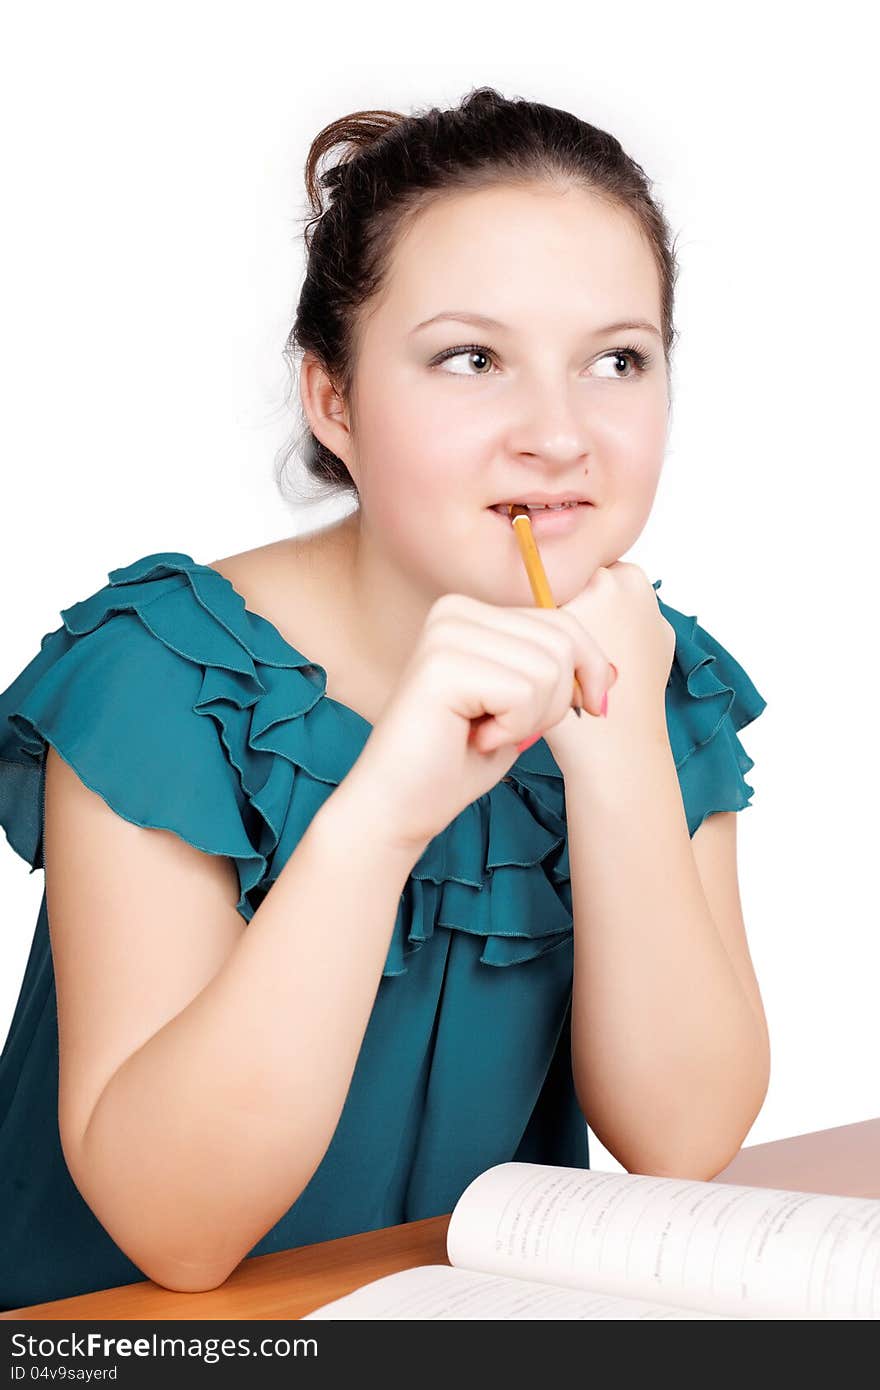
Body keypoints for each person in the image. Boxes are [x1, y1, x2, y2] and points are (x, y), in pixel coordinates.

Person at [0, 87, 770, 1310]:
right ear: (334, 401)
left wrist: (617, 759)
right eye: (471, 358)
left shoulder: (663, 675)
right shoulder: (163, 676)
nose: (559, 435)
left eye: (617, 359)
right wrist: (382, 814)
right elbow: (179, 1235)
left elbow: (681, 1139)